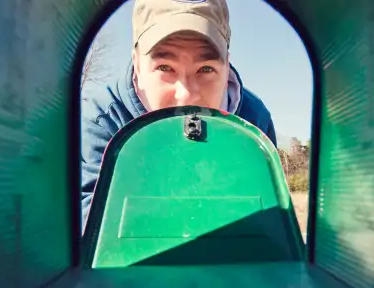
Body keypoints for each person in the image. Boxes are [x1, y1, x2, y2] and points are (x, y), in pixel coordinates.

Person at [81, 0, 277, 225]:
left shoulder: (253, 120)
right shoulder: (103, 119)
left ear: (226, 65)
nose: (185, 95)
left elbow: (267, 218)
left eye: (205, 69)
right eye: (165, 67)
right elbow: (89, 222)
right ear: (137, 64)